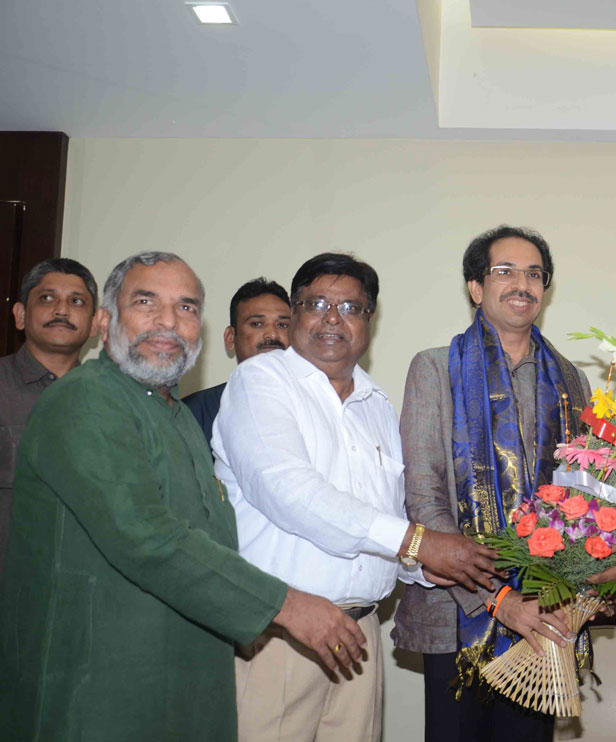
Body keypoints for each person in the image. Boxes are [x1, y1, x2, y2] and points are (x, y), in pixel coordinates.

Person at [0, 251, 367, 741]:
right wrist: (286, 604)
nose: (168, 321)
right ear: (105, 321)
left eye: (187, 307)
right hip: (100, 688)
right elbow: (145, 535)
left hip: (186, 681)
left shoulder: (174, 414)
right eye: (146, 302)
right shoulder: (84, 400)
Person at [213, 253, 499, 742]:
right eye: (317, 303)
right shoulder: (260, 382)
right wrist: (418, 543)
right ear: (295, 312)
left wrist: (421, 566)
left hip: (360, 637)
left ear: (369, 322)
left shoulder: (377, 405)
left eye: (351, 308)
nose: (332, 318)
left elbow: (383, 521)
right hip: (281, 633)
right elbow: (290, 492)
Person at [392, 226, 589, 742]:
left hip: (545, 615)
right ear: (476, 287)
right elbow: (425, 500)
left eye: (534, 274)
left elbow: (586, 505)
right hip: (458, 614)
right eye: (505, 271)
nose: (521, 284)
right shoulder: (436, 368)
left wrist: (564, 592)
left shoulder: (571, 383)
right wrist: (497, 599)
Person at [0, 258, 98, 573]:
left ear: (95, 324)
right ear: (20, 315)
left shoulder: (113, 401)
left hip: (83, 597)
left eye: (77, 301)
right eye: (46, 298)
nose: (61, 310)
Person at [183, 277, 291, 447]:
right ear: (230, 338)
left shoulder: (317, 404)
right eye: (257, 324)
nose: (272, 334)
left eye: (283, 325)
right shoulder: (191, 414)